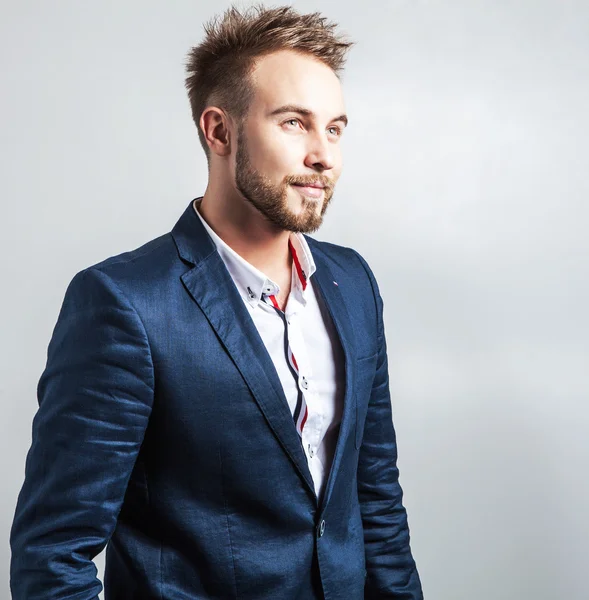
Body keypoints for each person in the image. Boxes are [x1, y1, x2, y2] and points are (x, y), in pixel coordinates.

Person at [10, 5, 423, 599]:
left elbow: (376, 504)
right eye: (293, 123)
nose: (323, 156)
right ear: (220, 131)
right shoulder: (125, 304)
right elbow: (53, 555)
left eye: (334, 128)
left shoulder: (351, 283)